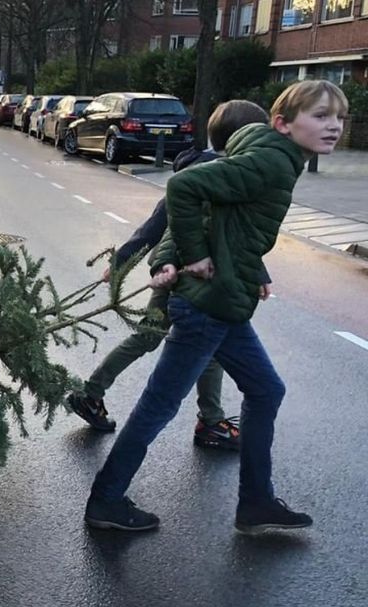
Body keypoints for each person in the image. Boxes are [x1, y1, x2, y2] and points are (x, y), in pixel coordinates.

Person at [84, 80, 348, 534]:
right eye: (321, 116)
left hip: (224, 303)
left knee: (266, 390)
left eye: (339, 117)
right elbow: (184, 187)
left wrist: (248, 267)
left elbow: (222, 219)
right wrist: (190, 256)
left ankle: (257, 504)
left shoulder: (270, 155)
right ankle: (106, 501)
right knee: (159, 405)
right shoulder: (271, 162)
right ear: (282, 123)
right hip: (208, 306)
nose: (334, 126)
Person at [67, 100, 272, 452]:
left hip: (191, 275)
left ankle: (94, 394)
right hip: (187, 276)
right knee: (199, 346)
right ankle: (209, 422)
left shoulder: (215, 172)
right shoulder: (217, 175)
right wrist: (121, 262)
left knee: (173, 341)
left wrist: (258, 271)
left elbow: (229, 234)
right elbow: (161, 226)